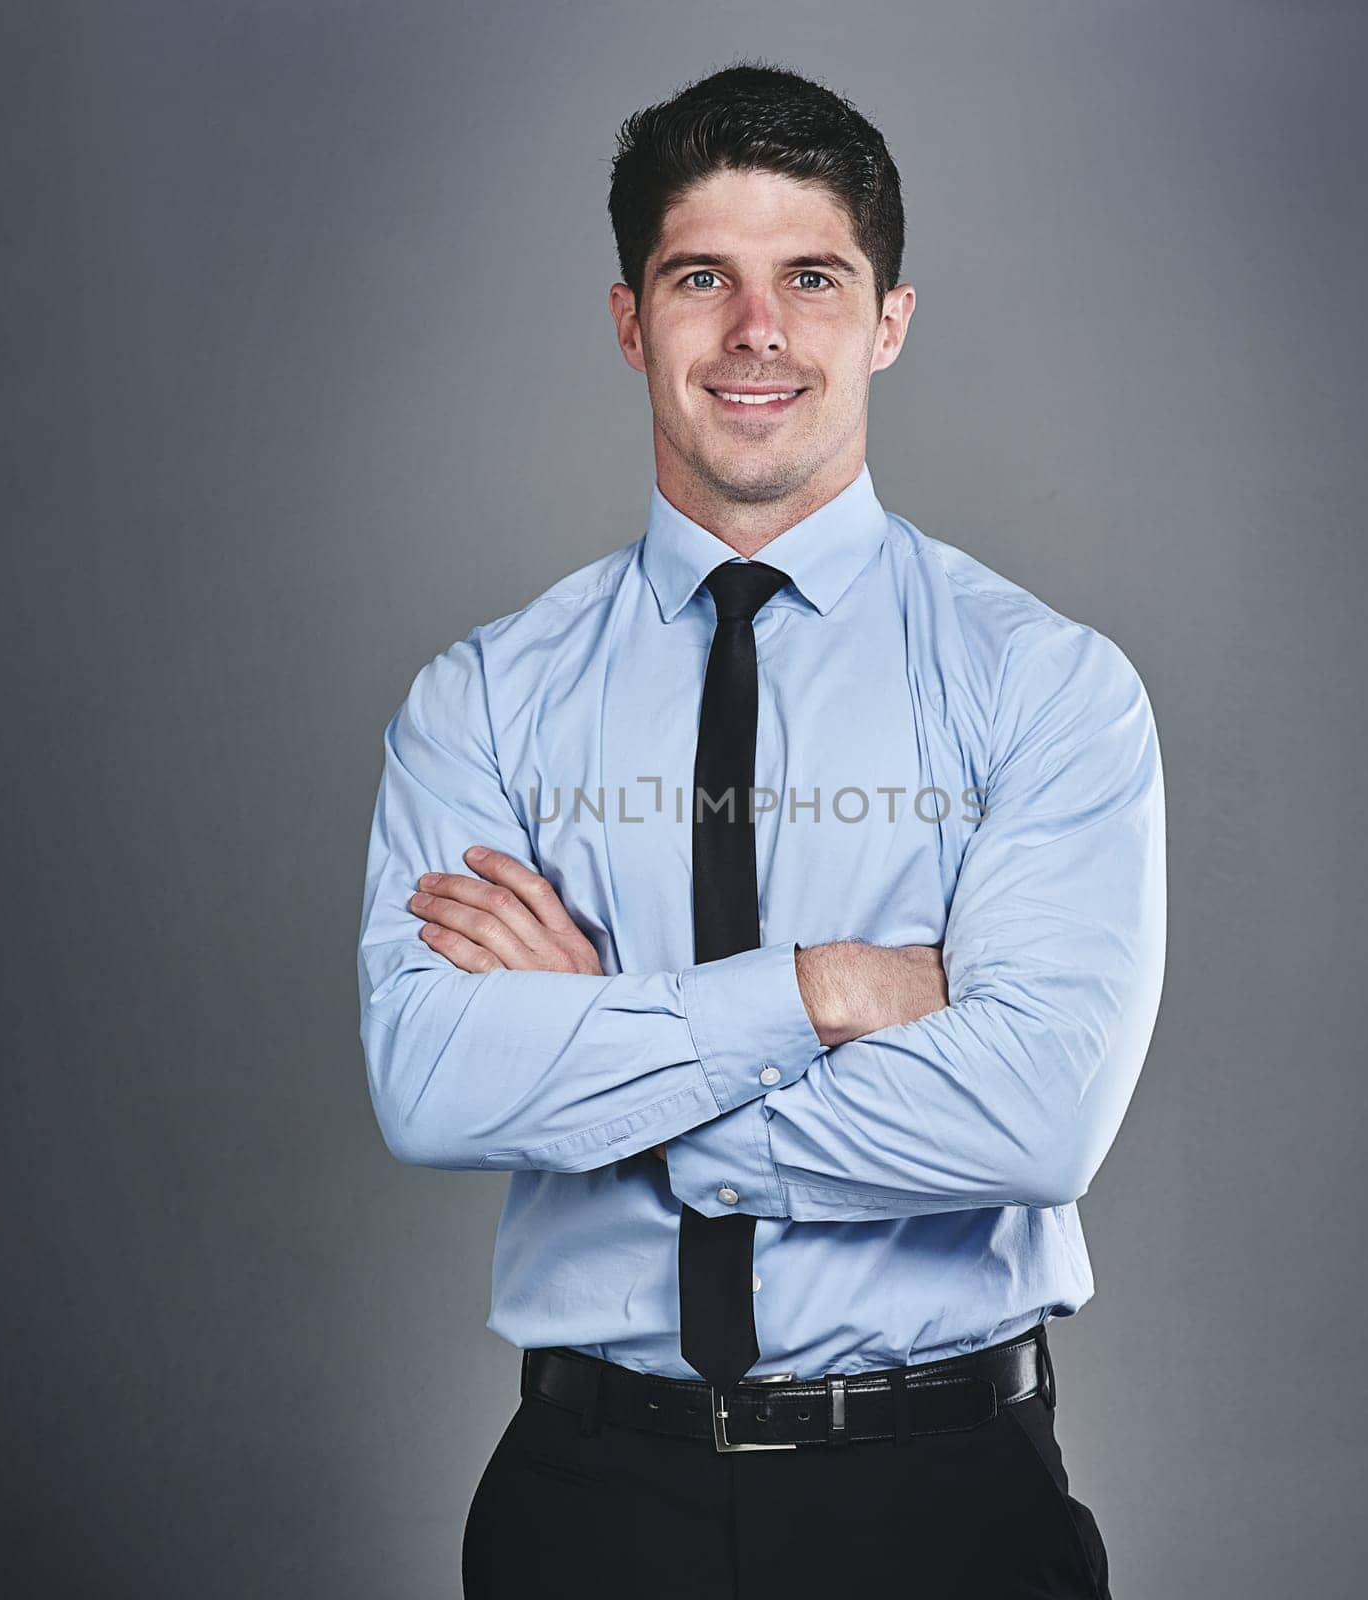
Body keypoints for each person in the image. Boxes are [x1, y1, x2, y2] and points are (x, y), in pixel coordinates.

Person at [356, 58, 1165, 1600]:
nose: (757, 334)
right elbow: (432, 1083)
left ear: (888, 320)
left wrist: (594, 1048)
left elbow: (1035, 1121)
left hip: (944, 1505)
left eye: (811, 275)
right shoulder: (483, 699)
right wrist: (826, 991)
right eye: (699, 278)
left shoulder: (1045, 685)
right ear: (627, 321)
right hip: (588, 1509)